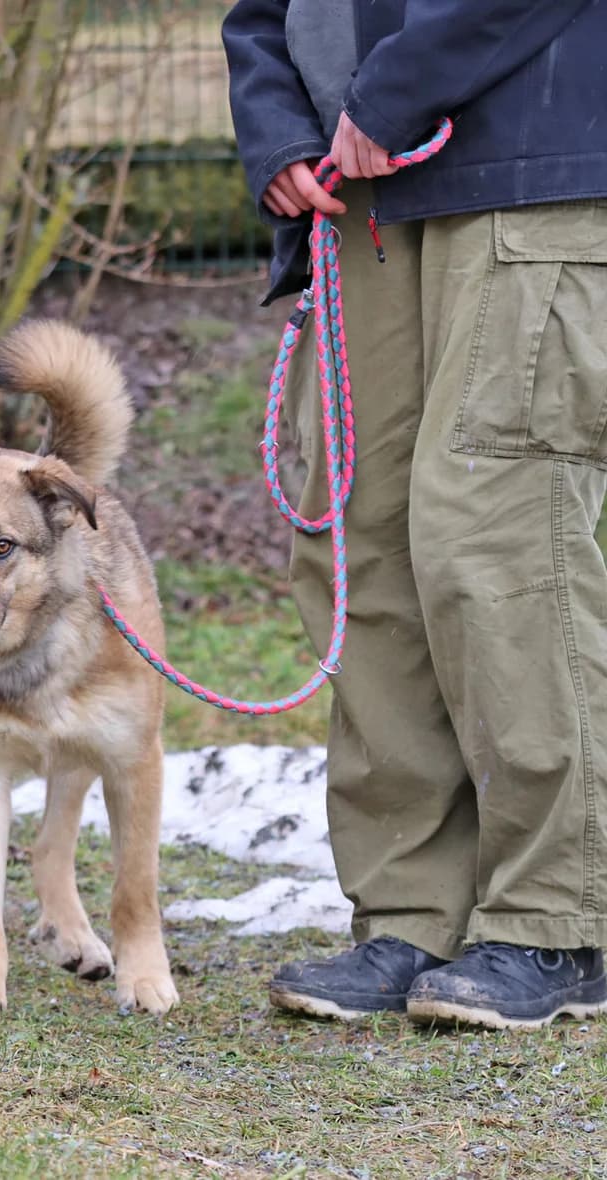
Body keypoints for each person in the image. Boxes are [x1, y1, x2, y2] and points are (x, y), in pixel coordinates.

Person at [221, 0, 607, 1030]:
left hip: (532, 160)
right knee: (362, 542)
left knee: (496, 529)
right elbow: (261, 14)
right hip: (359, 190)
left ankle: (558, 918)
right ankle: (411, 911)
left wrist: (394, 91)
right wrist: (277, 133)